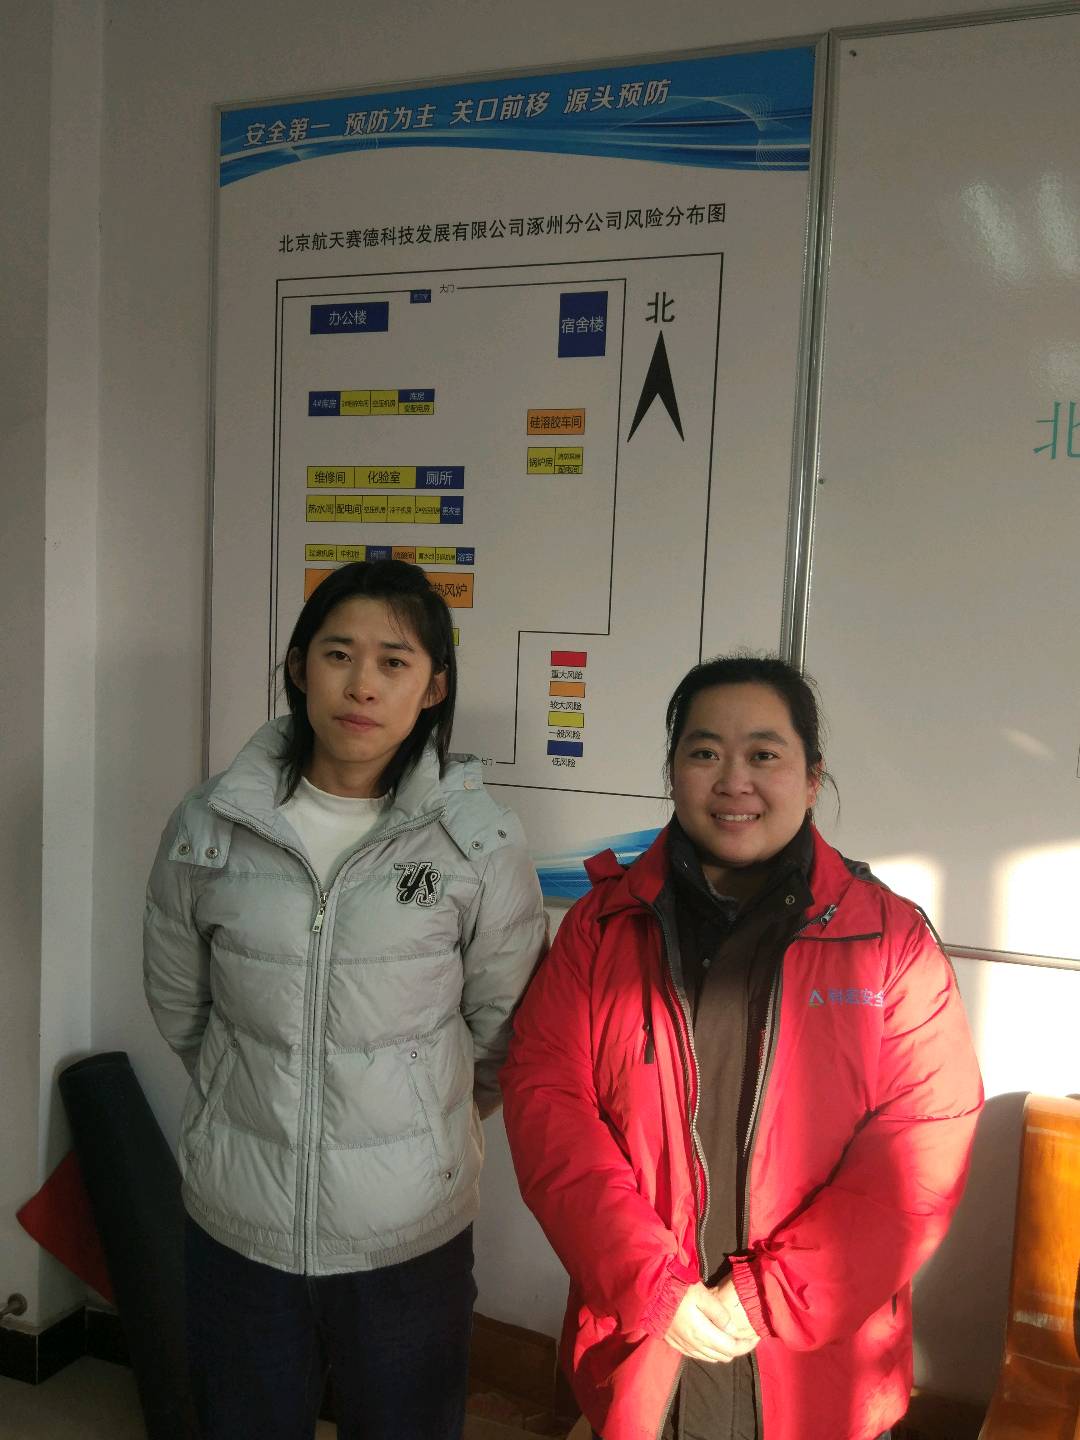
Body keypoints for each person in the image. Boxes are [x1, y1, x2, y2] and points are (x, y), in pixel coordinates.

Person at [501, 655, 983, 1440]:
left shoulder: (889, 940)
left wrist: (771, 1295)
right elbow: (547, 1106)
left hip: (820, 1370)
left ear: (812, 777)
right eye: (705, 752)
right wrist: (651, 1285)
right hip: (647, 1346)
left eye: (764, 754)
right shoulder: (602, 927)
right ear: (672, 771)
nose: (734, 781)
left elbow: (923, 1148)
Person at [144, 559, 546, 1440]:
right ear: (299, 667)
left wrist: (417, 1117)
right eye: (338, 654)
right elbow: (181, 1000)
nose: (362, 684)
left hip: (407, 1231)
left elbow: (504, 1029)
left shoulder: (476, 843)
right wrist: (250, 1093)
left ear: (433, 688)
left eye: (394, 662)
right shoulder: (210, 825)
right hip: (241, 1221)